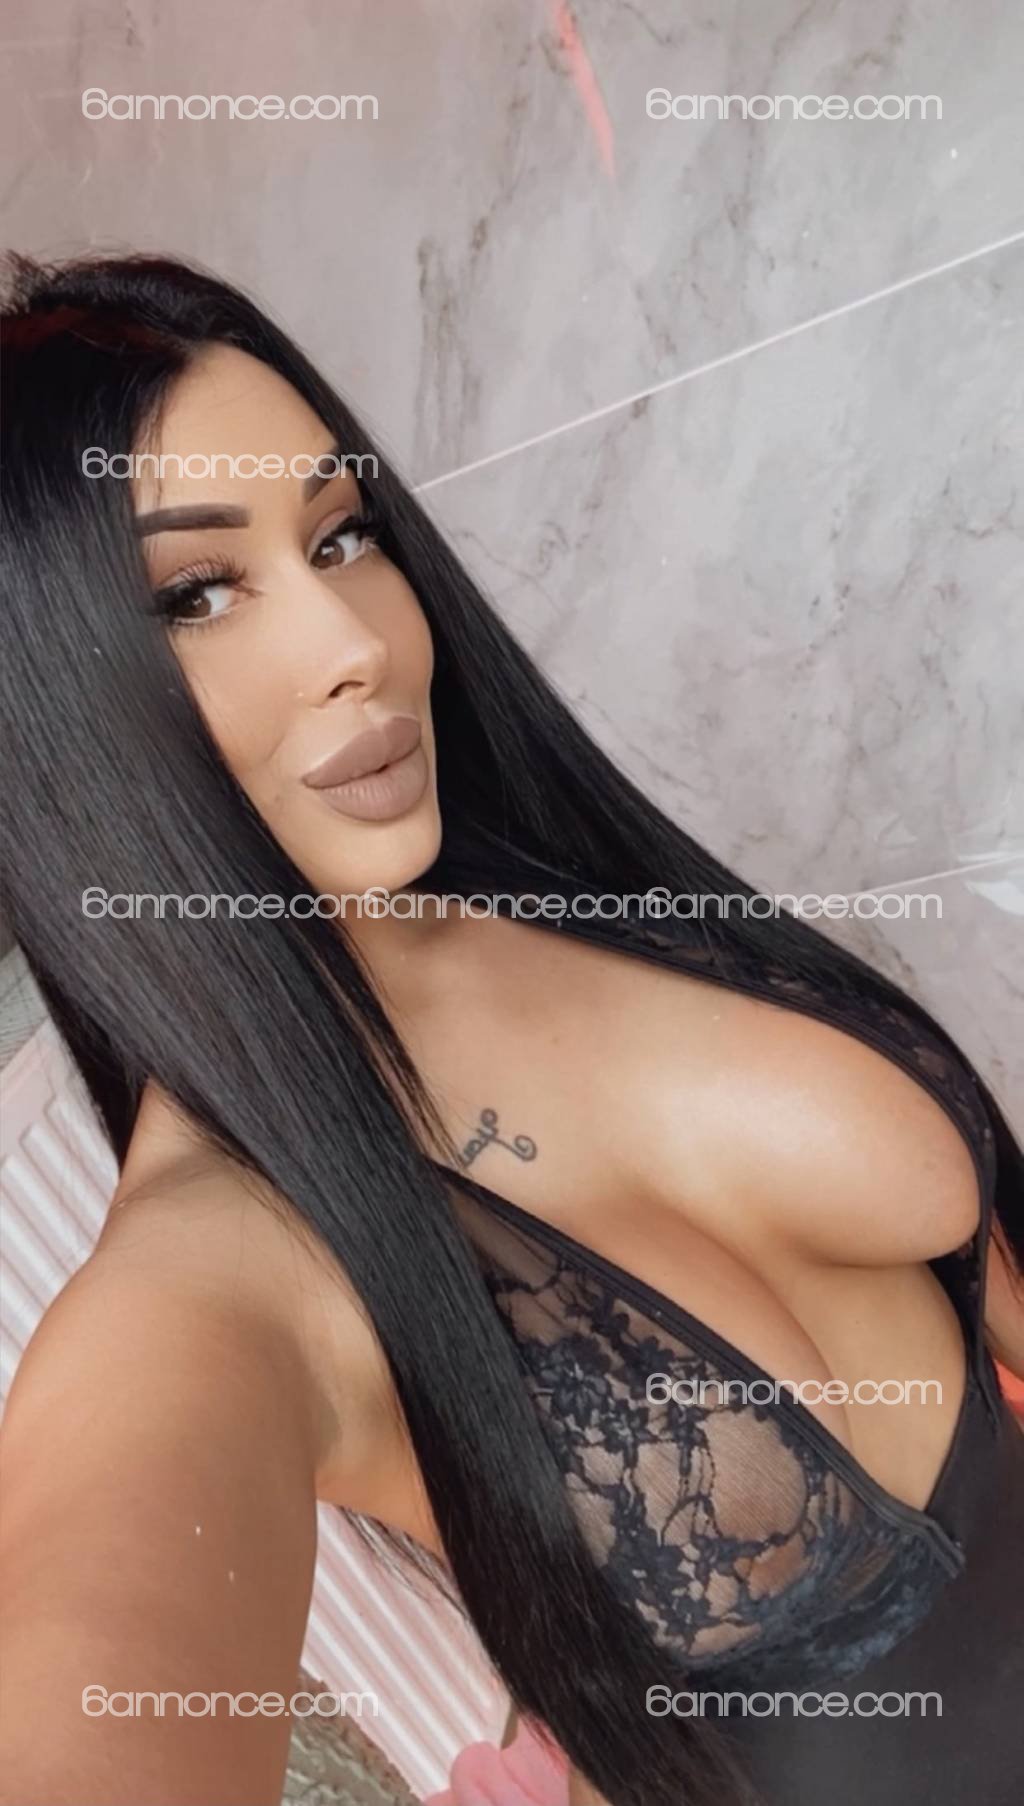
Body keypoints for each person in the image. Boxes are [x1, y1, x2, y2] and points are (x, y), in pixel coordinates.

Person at [1, 251, 1021, 1806]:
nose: (355, 640)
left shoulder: (559, 872)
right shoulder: (212, 1282)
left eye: (339, 533)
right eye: (197, 591)